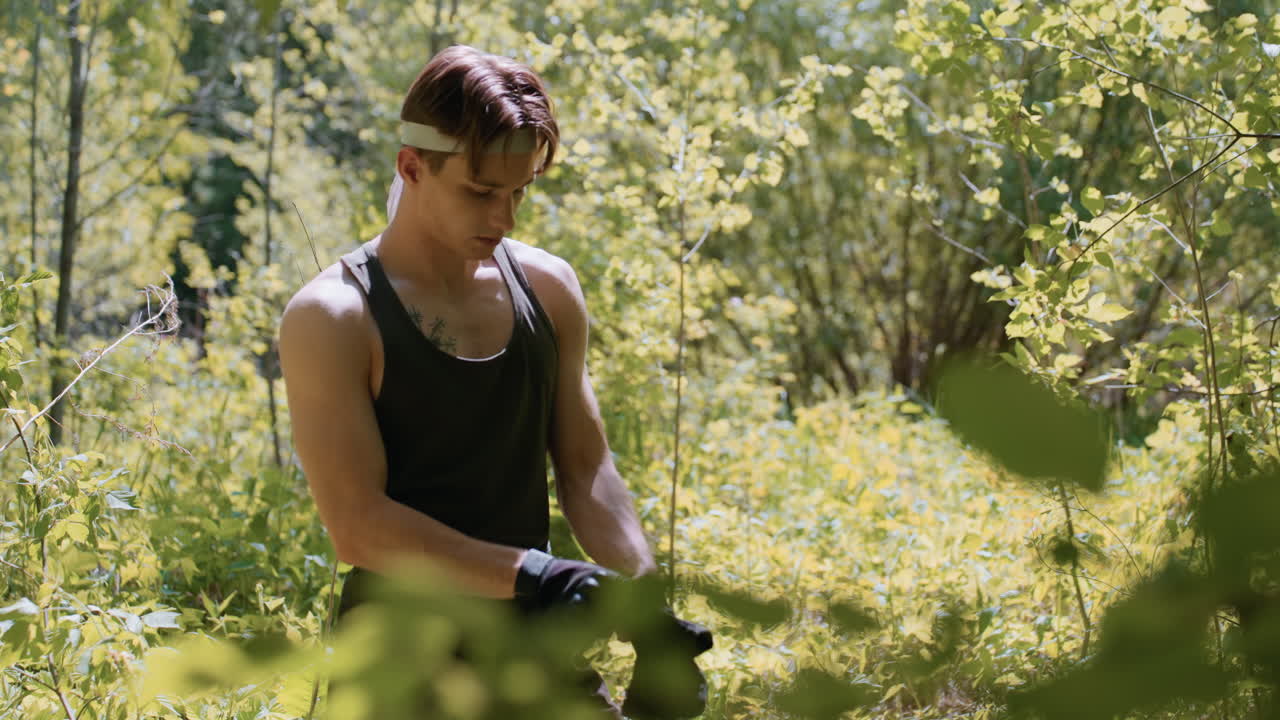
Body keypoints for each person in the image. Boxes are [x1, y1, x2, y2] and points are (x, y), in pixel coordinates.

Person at [277, 45, 708, 717]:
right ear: (412, 167)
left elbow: (586, 468)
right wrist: (538, 576)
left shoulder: (548, 287)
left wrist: (644, 608)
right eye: (480, 193)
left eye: (519, 192)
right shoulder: (334, 316)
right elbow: (358, 526)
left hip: (531, 651)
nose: (503, 219)